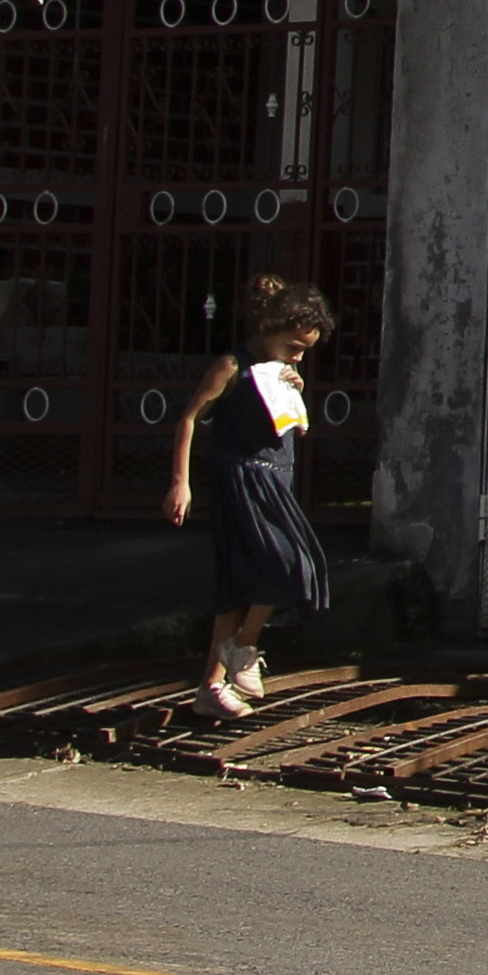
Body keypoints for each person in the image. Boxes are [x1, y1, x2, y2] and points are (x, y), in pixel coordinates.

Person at [165, 277, 336, 719]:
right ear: (269, 327)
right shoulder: (231, 366)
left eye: (305, 350)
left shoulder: (280, 372)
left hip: (276, 481)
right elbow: (189, 419)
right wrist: (180, 482)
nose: (299, 355)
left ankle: (212, 685)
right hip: (240, 479)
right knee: (286, 564)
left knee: (246, 581)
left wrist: (291, 391)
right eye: (294, 345)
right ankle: (242, 648)